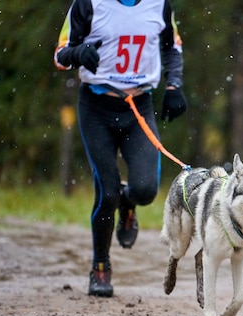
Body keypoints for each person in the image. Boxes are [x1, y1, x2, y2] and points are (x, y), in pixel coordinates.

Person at [53, 0, 187, 297]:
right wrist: (78, 52)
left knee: (146, 190)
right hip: (96, 107)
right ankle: (100, 266)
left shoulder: (159, 4)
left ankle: (129, 202)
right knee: (107, 190)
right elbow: (60, 56)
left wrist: (174, 86)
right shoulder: (88, 3)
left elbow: (172, 47)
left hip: (138, 106)